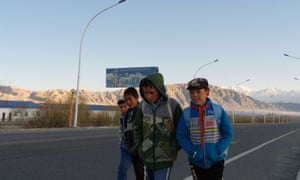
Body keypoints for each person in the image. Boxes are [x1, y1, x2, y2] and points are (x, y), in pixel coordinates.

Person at [176, 78, 233, 180]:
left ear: (207, 92)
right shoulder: (187, 113)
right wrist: (192, 151)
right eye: (192, 92)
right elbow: (181, 135)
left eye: (198, 91)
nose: (195, 95)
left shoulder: (217, 110)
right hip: (196, 161)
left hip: (216, 160)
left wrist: (218, 150)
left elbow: (228, 133)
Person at [134, 72, 183, 180]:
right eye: (145, 92)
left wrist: (173, 147)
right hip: (147, 158)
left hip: (165, 159)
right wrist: (140, 147)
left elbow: (182, 130)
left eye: (152, 92)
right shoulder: (142, 106)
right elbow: (137, 128)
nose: (148, 96)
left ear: (159, 90)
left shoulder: (172, 105)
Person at [122, 87, 144, 180]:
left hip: (142, 151)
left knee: (142, 175)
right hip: (132, 150)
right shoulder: (128, 113)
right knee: (138, 174)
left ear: (137, 98)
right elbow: (127, 130)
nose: (128, 102)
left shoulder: (143, 111)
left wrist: (138, 147)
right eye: (126, 100)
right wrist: (127, 144)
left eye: (130, 99)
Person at [117, 99, 131, 180]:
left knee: (141, 173)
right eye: (121, 107)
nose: (122, 109)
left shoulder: (136, 116)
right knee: (122, 170)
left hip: (137, 149)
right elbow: (121, 131)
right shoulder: (121, 117)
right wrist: (122, 142)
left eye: (125, 106)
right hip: (125, 148)